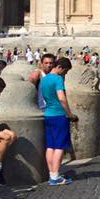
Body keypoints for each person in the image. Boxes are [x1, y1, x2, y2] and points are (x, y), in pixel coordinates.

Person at [40, 57, 78, 185]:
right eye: (65, 71)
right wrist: (70, 114)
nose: (65, 74)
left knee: (50, 146)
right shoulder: (58, 79)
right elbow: (61, 98)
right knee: (59, 146)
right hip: (58, 115)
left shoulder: (44, 79)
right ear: (60, 67)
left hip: (48, 114)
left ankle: (52, 174)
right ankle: (56, 176)